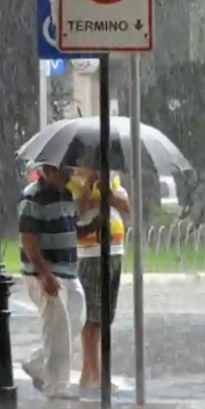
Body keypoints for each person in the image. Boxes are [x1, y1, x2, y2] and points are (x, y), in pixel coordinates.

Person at [18, 162, 84, 400]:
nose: (70, 175)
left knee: (77, 317)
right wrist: (44, 273)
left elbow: (74, 226)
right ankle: (57, 386)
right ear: (48, 171)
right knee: (57, 326)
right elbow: (27, 239)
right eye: (64, 172)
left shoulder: (68, 193)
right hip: (44, 272)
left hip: (68, 270)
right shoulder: (32, 198)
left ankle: (37, 363)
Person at [68, 164, 130, 396]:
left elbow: (125, 205)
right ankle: (92, 373)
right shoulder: (73, 181)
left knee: (105, 316)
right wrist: (89, 185)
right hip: (91, 252)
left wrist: (106, 191)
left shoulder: (112, 178)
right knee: (92, 316)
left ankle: (95, 372)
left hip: (114, 250)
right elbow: (78, 209)